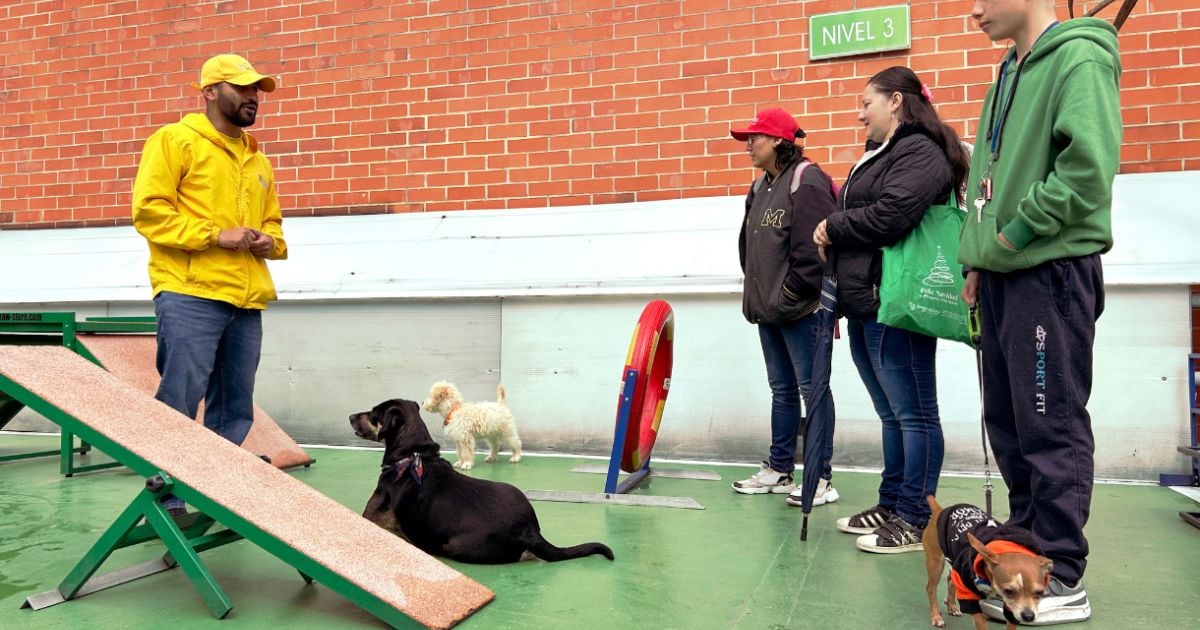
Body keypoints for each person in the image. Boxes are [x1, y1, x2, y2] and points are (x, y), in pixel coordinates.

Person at [960, 1, 1122, 623]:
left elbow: (1086, 171)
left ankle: (1062, 571)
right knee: (1008, 418)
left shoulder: (1079, 57)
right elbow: (988, 178)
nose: (973, 10)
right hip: (1004, 274)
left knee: (1049, 418)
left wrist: (1013, 236)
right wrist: (979, 256)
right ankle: (1026, 538)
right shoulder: (1007, 72)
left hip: (1046, 269)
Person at [812, 67, 969, 553]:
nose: (860, 114)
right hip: (867, 302)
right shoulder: (883, 153)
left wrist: (834, 226)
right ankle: (893, 502)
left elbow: (893, 216)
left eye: (867, 103)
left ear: (896, 101)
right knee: (891, 413)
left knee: (915, 413)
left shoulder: (920, 150)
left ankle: (917, 516)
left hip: (896, 301)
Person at [131, 54, 287, 515]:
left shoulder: (257, 159)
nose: (253, 97)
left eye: (257, 90)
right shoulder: (175, 141)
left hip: (246, 296)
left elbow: (275, 225)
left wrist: (267, 242)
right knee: (180, 396)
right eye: (242, 88)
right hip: (190, 292)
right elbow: (150, 212)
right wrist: (216, 235)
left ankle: (218, 490)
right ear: (209, 92)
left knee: (236, 406)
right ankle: (170, 495)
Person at [728, 108, 840, 509]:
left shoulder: (805, 180)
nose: (748, 145)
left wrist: (788, 296)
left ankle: (820, 477)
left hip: (800, 312)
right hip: (768, 311)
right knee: (782, 390)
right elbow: (748, 249)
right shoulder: (760, 186)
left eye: (755, 137)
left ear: (778, 140)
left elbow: (814, 252)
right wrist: (763, 297)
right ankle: (779, 468)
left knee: (814, 390)